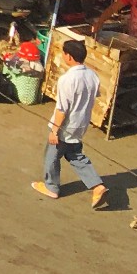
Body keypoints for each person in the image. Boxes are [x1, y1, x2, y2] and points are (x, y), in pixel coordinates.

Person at [36, 38, 109, 206]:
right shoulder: (92, 75)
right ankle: (98, 187)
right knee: (75, 155)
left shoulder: (67, 80)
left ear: (68, 56)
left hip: (65, 126)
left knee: (51, 156)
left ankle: (51, 187)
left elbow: (62, 109)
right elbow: (94, 96)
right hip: (81, 124)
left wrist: (54, 131)